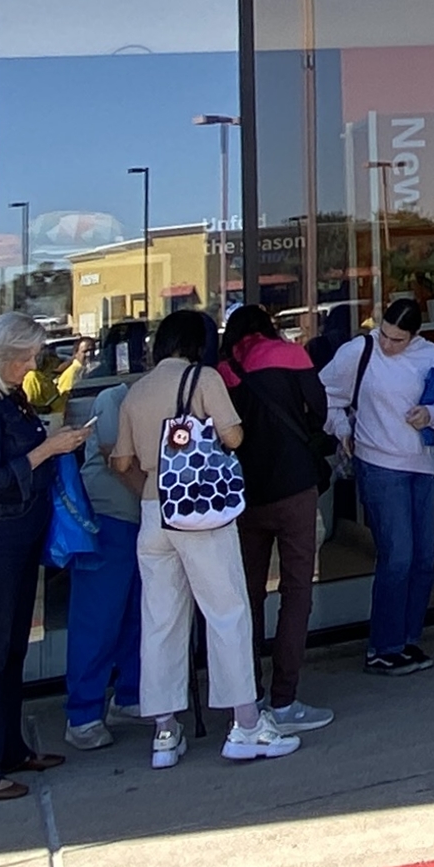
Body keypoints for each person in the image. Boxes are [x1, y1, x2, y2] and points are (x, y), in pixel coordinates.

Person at [115, 324, 300, 760]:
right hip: (200, 510)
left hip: (152, 511)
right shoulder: (204, 379)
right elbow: (234, 436)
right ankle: (246, 724)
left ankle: (164, 732)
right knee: (227, 612)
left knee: (160, 621)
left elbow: (121, 460)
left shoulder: (136, 391)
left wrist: (154, 486)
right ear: (199, 346)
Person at [0, 311, 87, 802]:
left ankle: (7, 748)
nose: (30, 365)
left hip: (20, 533)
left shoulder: (12, 401)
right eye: (24, 357)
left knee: (9, 649)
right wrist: (47, 451)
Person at [324, 294, 434, 672]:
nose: (387, 344)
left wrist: (430, 414)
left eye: (397, 339)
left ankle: (406, 639)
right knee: (397, 556)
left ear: (414, 336)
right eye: (384, 334)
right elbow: (324, 394)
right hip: (379, 463)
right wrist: (342, 429)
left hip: (422, 464)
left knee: (421, 560)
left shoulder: (431, 355)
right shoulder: (360, 351)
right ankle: (383, 645)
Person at [221, 304, 337, 735]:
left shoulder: (224, 367)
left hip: (243, 495)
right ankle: (284, 699)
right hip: (294, 487)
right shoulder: (290, 354)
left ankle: (246, 698)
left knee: (246, 595)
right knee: (296, 591)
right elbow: (321, 410)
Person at [58, 322, 156, 742]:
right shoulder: (113, 393)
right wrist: (160, 502)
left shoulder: (157, 393)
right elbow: (117, 457)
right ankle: (82, 713)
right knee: (97, 619)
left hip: (144, 519)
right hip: (111, 518)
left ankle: (131, 692)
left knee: (140, 612)